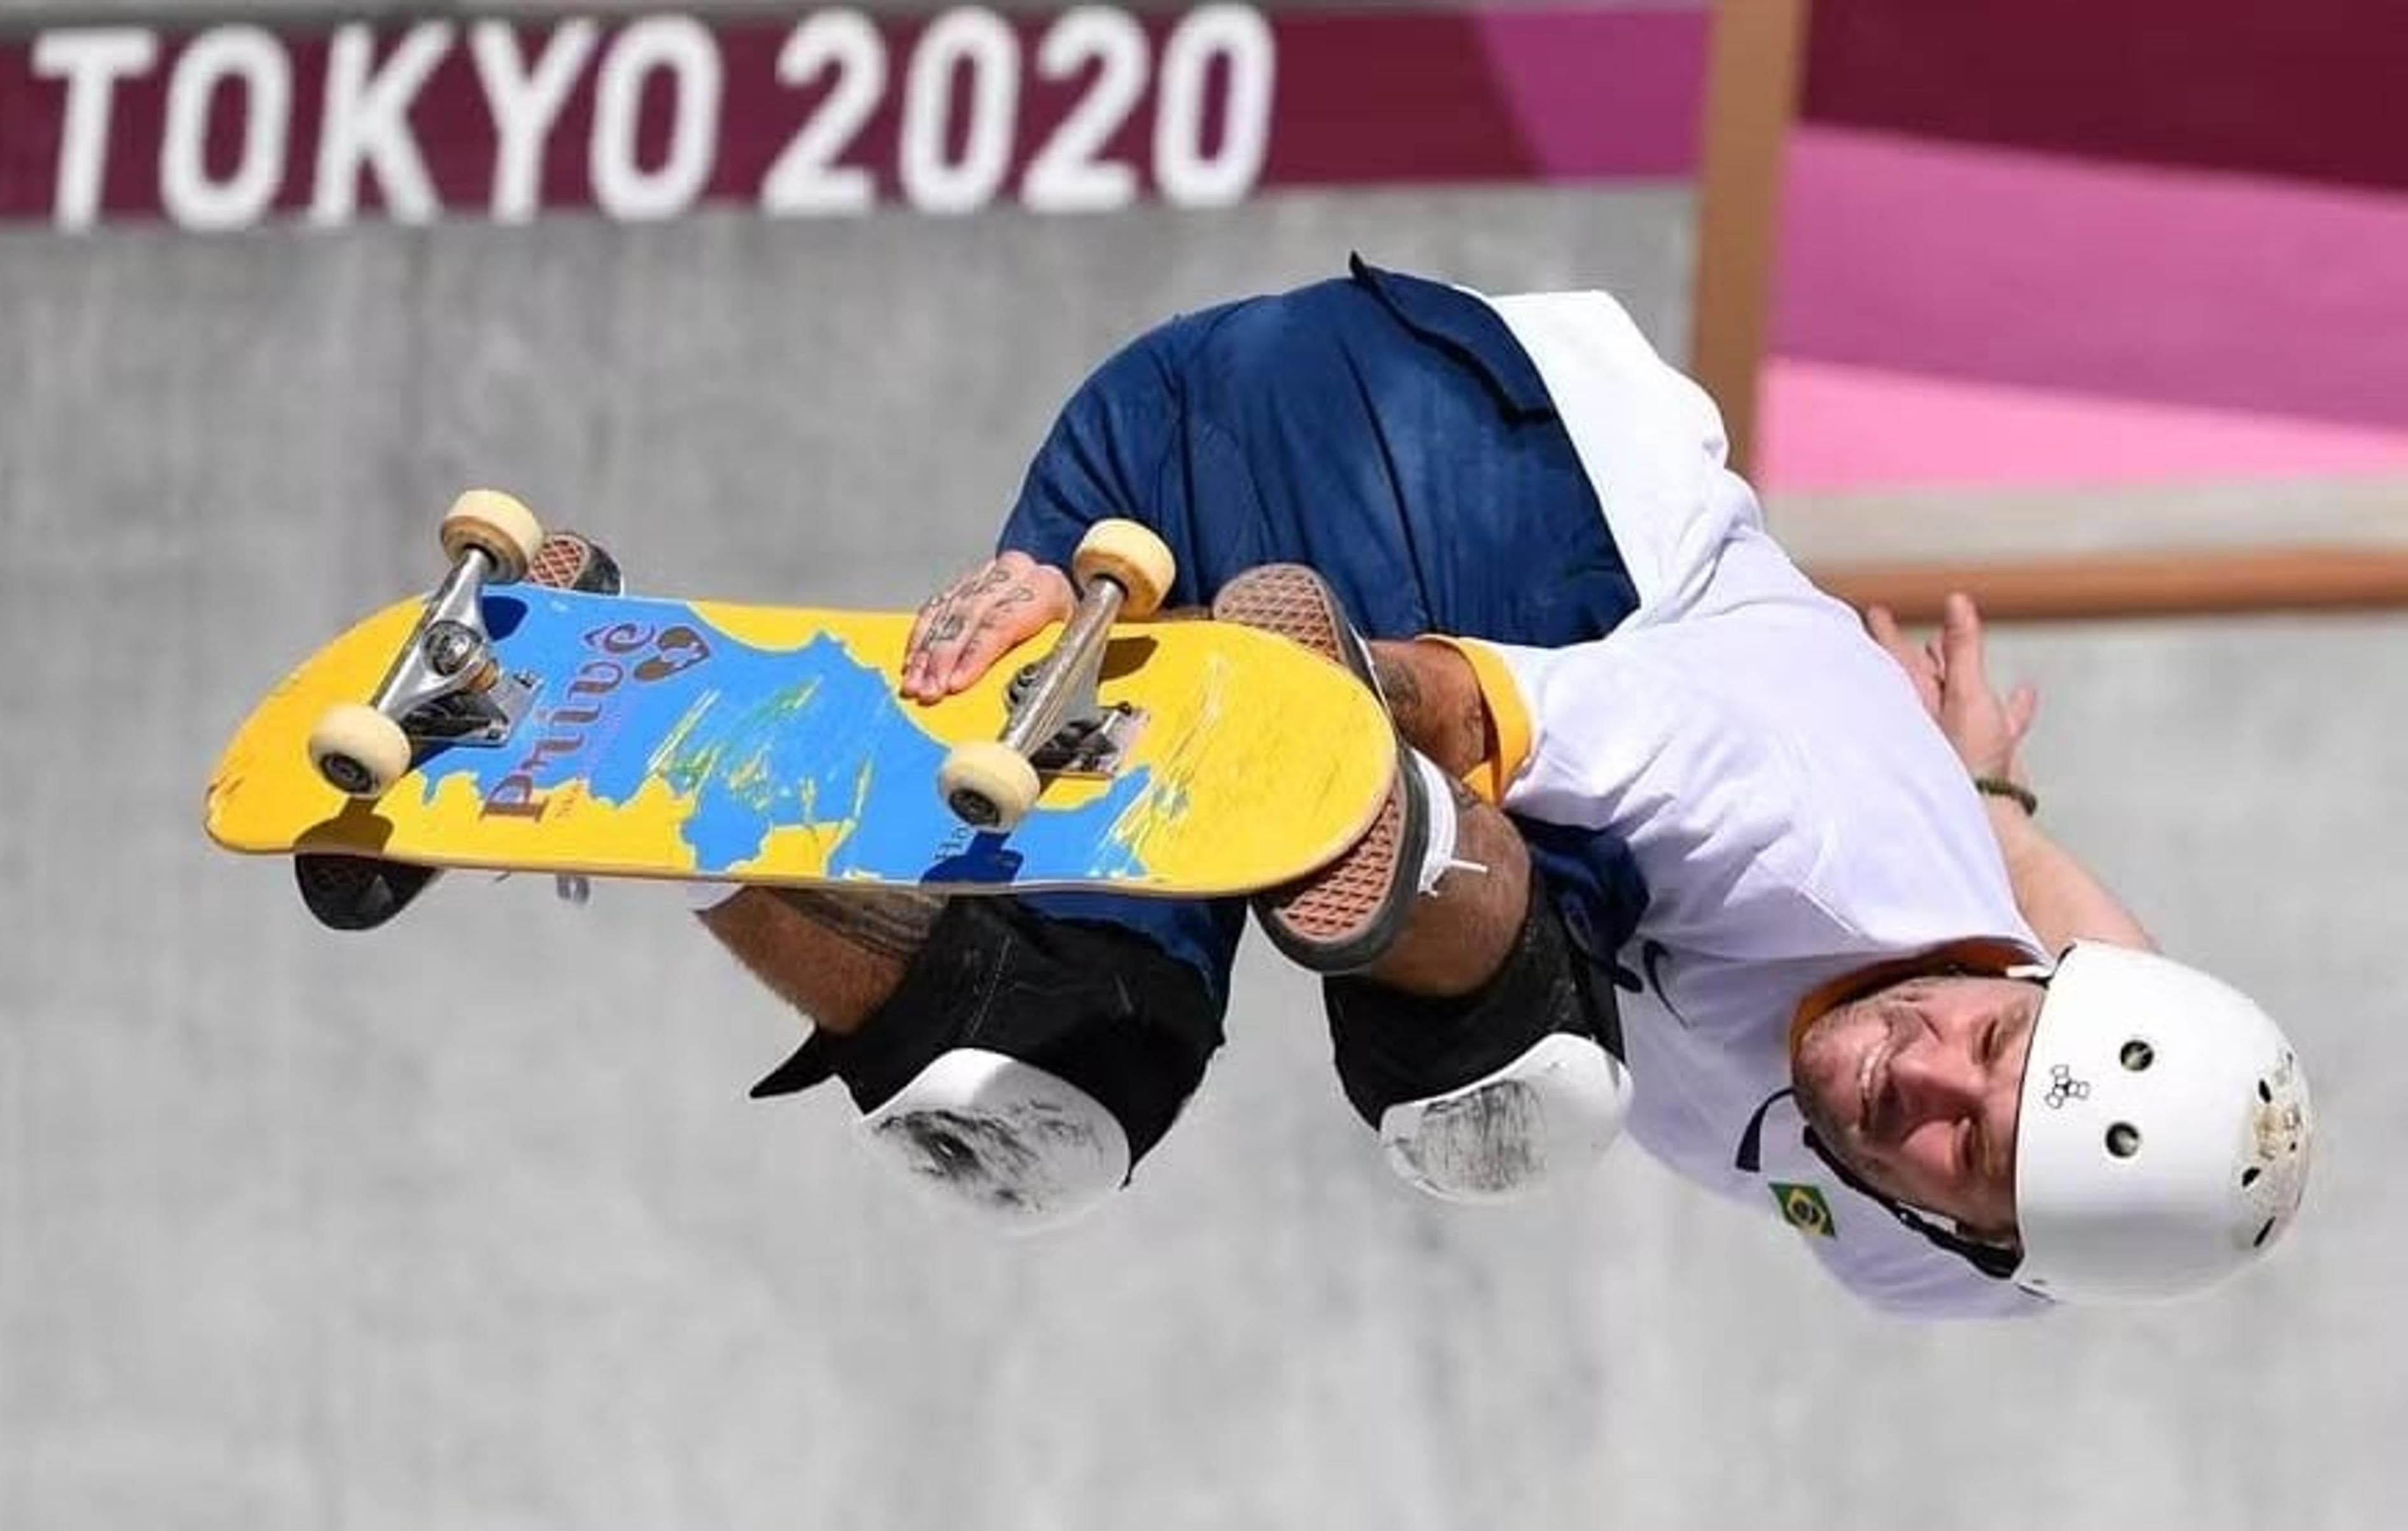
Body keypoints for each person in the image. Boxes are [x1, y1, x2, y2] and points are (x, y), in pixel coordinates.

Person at [691, 257, 2313, 1317]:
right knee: (1524, 1073)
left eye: (1977, 1154)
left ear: (1985, 1242)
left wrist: (2007, 822)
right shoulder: (1820, 826)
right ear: (2018, 973)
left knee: (1039, 1108)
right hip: (1439, 448)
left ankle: (680, 781)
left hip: (1147, 453)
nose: (1927, 1082)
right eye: (1996, 1040)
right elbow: (1503, 707)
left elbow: (2106, 1044)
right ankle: (1344, 782)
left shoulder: (1964, 1267)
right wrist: (1334, 687)